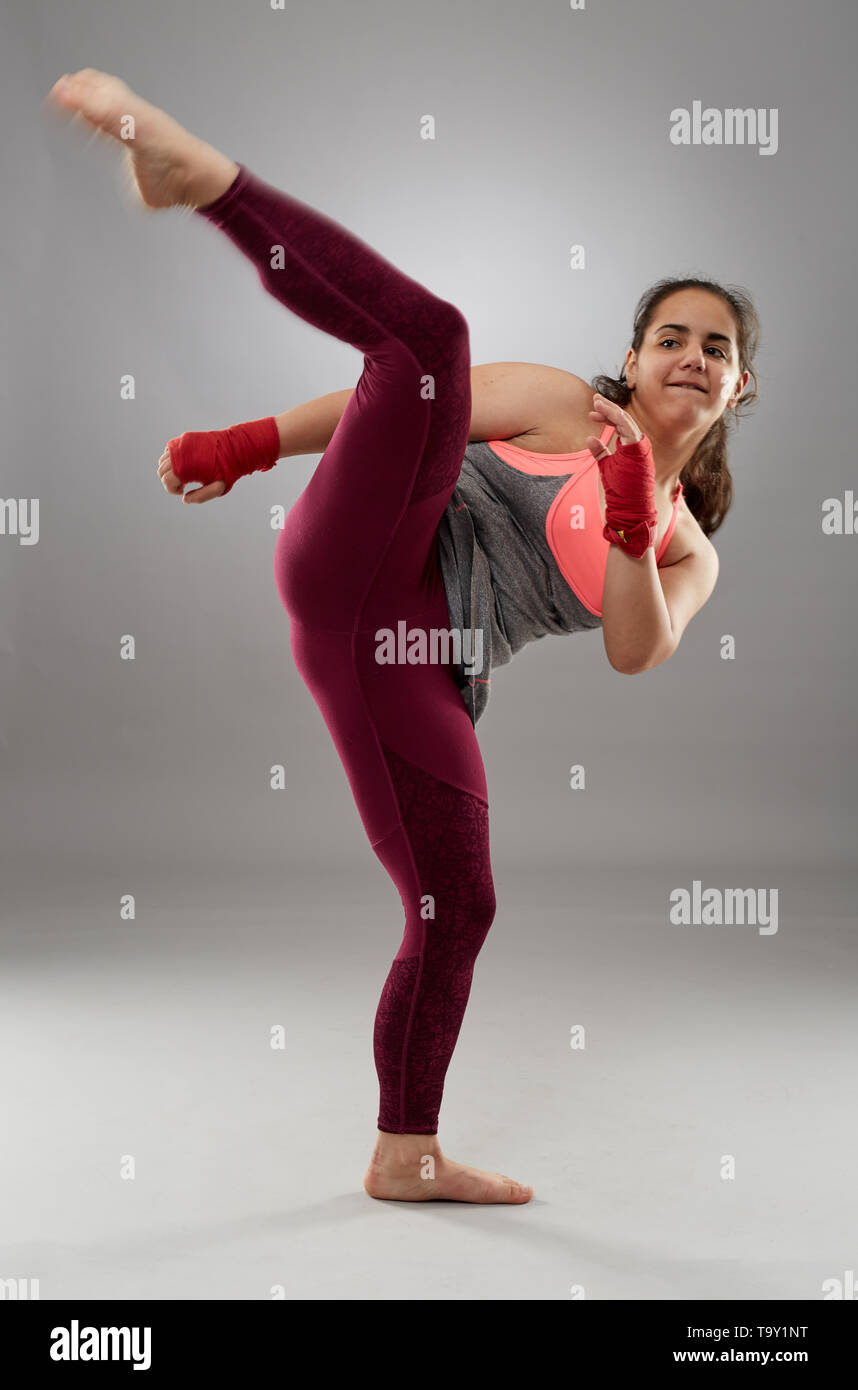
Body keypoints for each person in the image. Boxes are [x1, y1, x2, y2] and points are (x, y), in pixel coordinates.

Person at [46, 69, 757, 1205]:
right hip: (370, 551)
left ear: (737, 389)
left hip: (418, 668)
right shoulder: (566, 407)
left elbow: (637, 647)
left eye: (715, 350)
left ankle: (404, 1152)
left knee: (457, 904)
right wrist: (242, 445)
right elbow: (396, 398)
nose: (690, 356)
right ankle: (203, 180)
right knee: (430, 344)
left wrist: (631, 513)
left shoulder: (688, 547)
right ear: (631, 358)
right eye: (669, 336)